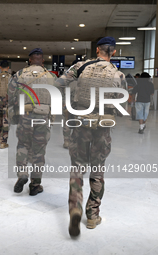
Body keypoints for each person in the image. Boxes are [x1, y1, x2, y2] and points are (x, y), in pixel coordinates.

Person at [55, 36, 127, 237]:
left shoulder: (80, 66)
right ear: (113, 52)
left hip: (81, 124)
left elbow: (59, 83)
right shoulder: (118, 74)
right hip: (102, 128)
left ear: (97, 50)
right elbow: (122, 106)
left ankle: (75, 208)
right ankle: (93, 216)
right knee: (97, 170)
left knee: (77, 168)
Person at [9, 48, 57, 196]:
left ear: (30, 60)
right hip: (42, 117)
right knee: (39, 151)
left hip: (25, 115)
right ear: (42, 60)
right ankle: (35, 185)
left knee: (23, 145)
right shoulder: (51, 77)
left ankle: (22, 173)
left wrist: (13, 114)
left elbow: (10, 95)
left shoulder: (19, 74)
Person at [0, 60, 11, 149]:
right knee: (6, 121)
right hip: (7, 101)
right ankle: (3, 142)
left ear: (0, 67)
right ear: (8, 67)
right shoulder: (11, 78)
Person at [62, 60, 78, 149]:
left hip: (69, 103)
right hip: (78, 105)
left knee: (67, 122)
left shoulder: (68, 76)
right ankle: (72, 141)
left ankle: (66, 141)